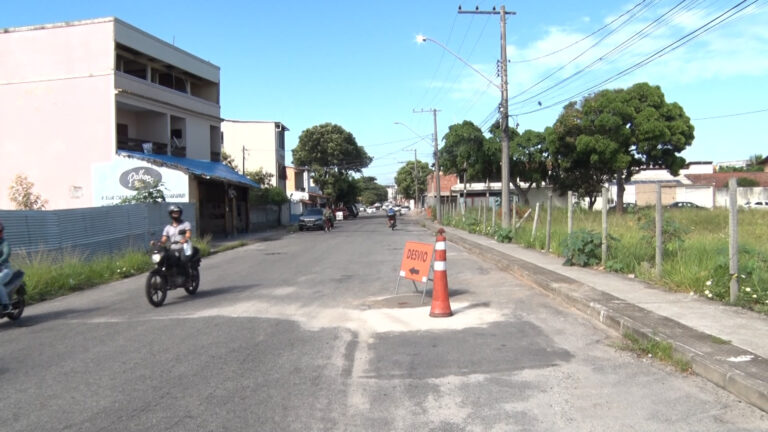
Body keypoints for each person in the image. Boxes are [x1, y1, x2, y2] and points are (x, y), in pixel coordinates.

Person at [0, 222, 12, 313]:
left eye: (1, 231)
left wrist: (1, 260)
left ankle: (6, 305)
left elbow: (7, 253)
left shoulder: (4, 243)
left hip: (5, 269)